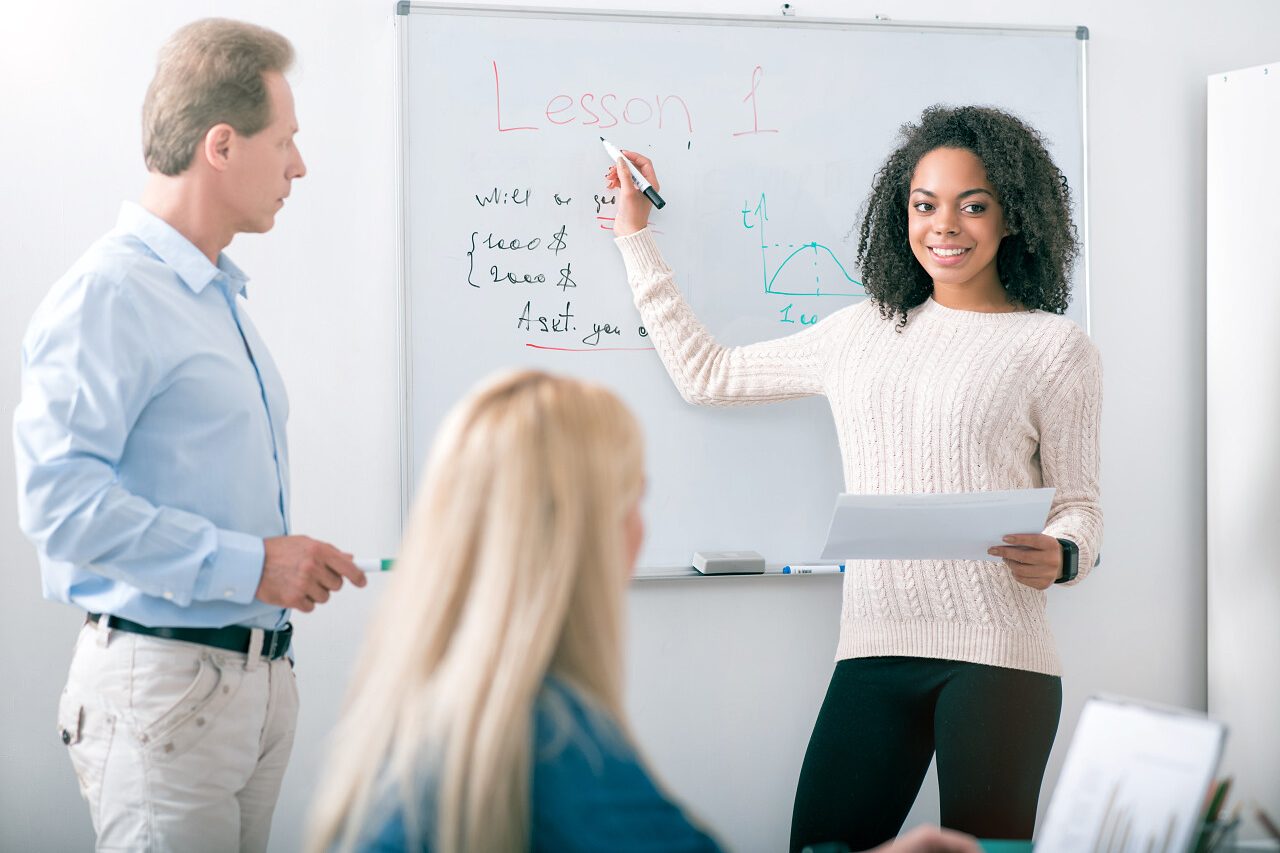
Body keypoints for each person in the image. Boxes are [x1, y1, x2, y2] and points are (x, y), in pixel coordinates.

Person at [601, 105, 1102, 851]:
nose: (946, 226)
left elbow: (1081, 507)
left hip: (1002, 656)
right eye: (925, 205)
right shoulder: (860, 332)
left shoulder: (1056, 347)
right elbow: (707, 374)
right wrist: (634, 238)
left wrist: (1061, 554)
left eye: (974, 205)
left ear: (1012, 217)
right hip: (872, 649)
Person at [306, 369, 981, 853]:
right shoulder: (550, 738)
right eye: (633, 501)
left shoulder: (428, 703)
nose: (640, 529)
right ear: (578, 527)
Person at [13, 18, 366, 852]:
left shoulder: (213, 297)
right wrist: (255, 562)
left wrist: (278, 569)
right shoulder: (111, 294)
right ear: (221, 145)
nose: (299, 166)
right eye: (285, 141)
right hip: (166, 692)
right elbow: (59, 505)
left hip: (246, 685)